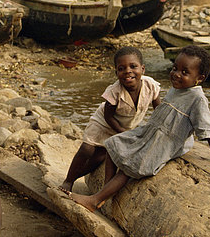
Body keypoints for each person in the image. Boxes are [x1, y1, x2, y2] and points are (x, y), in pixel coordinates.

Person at [69, 46, 210, 212]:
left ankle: (95, 200)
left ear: (199, 78)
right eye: (175, 68)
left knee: (131, 165)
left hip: (166, 141)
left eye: (184, 72)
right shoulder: (177, 89)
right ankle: (105, 192)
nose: (176, 74)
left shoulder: (197, 99)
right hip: (151, 131)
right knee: (113, 143)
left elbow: (207, 127)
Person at [60, 47, 160, 192]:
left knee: (101, 157)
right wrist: (121, 132)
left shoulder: (150, 85)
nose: (128, 71)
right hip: (104, 123)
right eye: (121, 68)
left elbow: (159, 109)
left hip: (125, 127)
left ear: (143, 69)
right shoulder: (114, 91)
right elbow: (108, 116)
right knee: (87, 149)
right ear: (116, 73)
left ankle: (77, 176)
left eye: (133, 66)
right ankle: (68, 180)